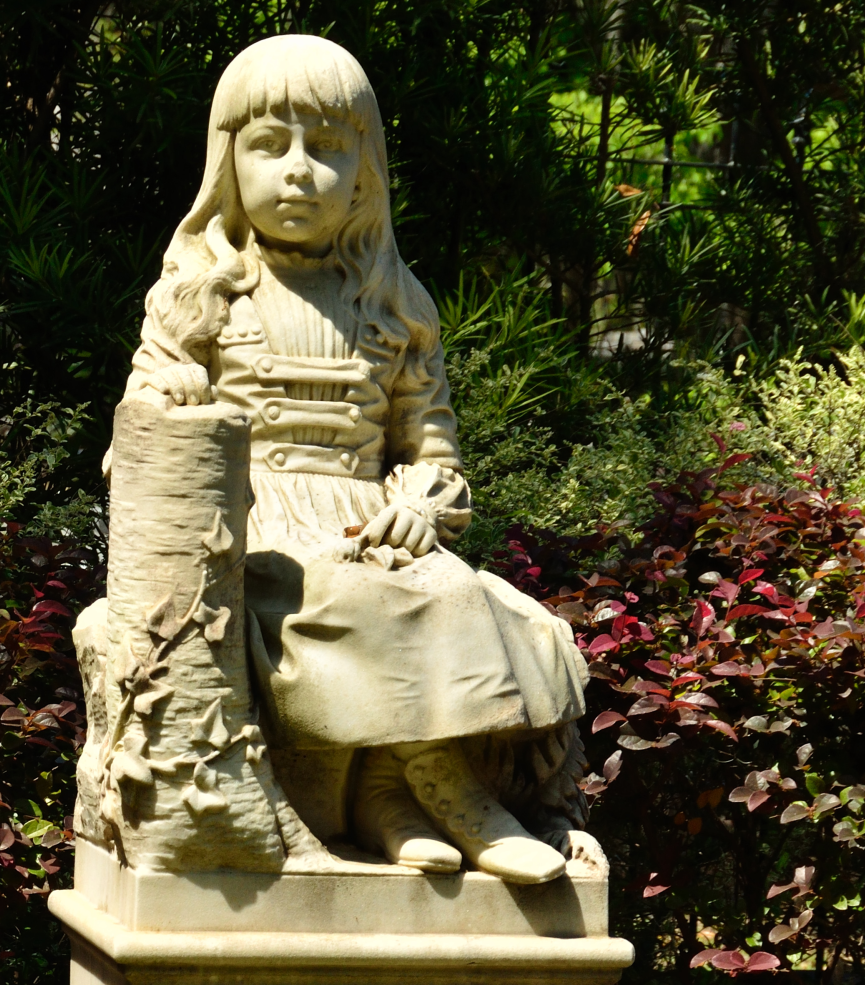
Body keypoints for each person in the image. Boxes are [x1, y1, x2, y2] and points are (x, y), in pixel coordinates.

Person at [124, 34, 589, 884]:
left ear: (365, 166)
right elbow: (145, 424)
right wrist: (180, 399)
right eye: (270, 145)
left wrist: (418, 499)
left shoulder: (396, 303)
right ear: (228, 163)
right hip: (254, 527)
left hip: (367, 518)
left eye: (327, 147)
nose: (299, 170)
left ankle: (388, 795)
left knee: (485, 602)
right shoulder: (196, 291)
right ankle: (451, 795)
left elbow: (434, 448)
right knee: (365, 592)